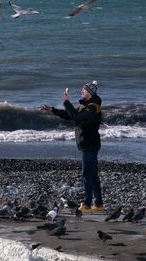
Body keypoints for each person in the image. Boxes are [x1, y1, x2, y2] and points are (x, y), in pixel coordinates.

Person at [40, 81, 103, 213]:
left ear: (90, 93)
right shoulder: (85, 106)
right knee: (93, 174)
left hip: (90, 144)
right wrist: (52, 110)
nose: (82, 92)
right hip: (88, 144)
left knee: (87, 174)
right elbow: (70, 115)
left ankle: (87, 204)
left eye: (84, 90)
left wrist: (66, 101)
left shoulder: (92, 107)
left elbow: (75, 117)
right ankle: (98, 204)